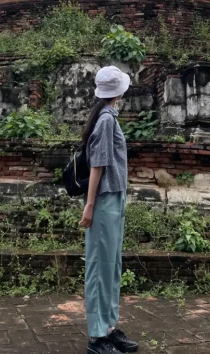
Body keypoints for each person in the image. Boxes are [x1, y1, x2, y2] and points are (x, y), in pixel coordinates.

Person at [79, 66, 139, 354]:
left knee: (112, 266)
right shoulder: (105, 121)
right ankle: (96, 336)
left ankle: (109, 327)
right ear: (120, 91)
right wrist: (89, 206)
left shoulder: (109, 118)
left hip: (113, 198)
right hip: (102, 201)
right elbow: (97, 166)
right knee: (99, 268)